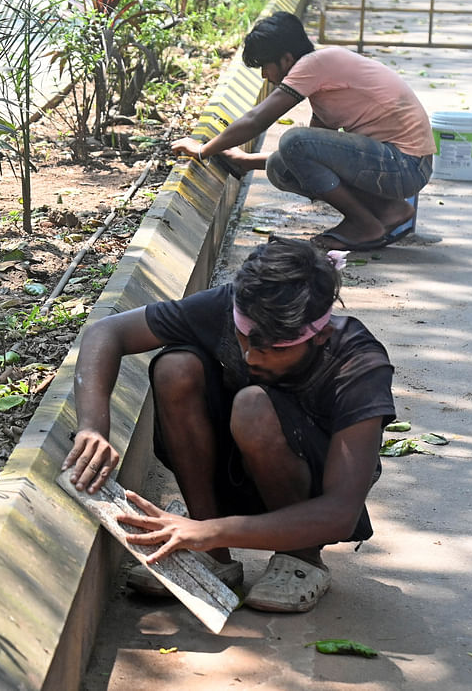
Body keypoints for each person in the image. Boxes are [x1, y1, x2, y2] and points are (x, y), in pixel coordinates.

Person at [63, 237, 395, 613]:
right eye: (242, 340)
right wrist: (92, 426)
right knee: (176, 367)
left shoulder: (360, 364)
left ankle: (300, 559)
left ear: (318, 335)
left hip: (311, 503)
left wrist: (209, 531)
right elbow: (106, 331)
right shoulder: (228, 304)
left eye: (270, 350)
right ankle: (212, 557)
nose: (249, 356)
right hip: (234, 477)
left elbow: (339, 512)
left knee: (252, 405)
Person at [171, 12, 434, 252]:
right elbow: (310, 162)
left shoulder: (315, 65)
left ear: (286, 58)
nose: (265, 75)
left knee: (293, 141)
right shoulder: (323, 78)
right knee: (280, 165)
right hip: (397, 167)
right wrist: (245, 162)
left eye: (265, 65)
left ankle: (365, 223)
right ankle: (387, 210)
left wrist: (204, 150)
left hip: (405, 165)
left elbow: (256, 120)